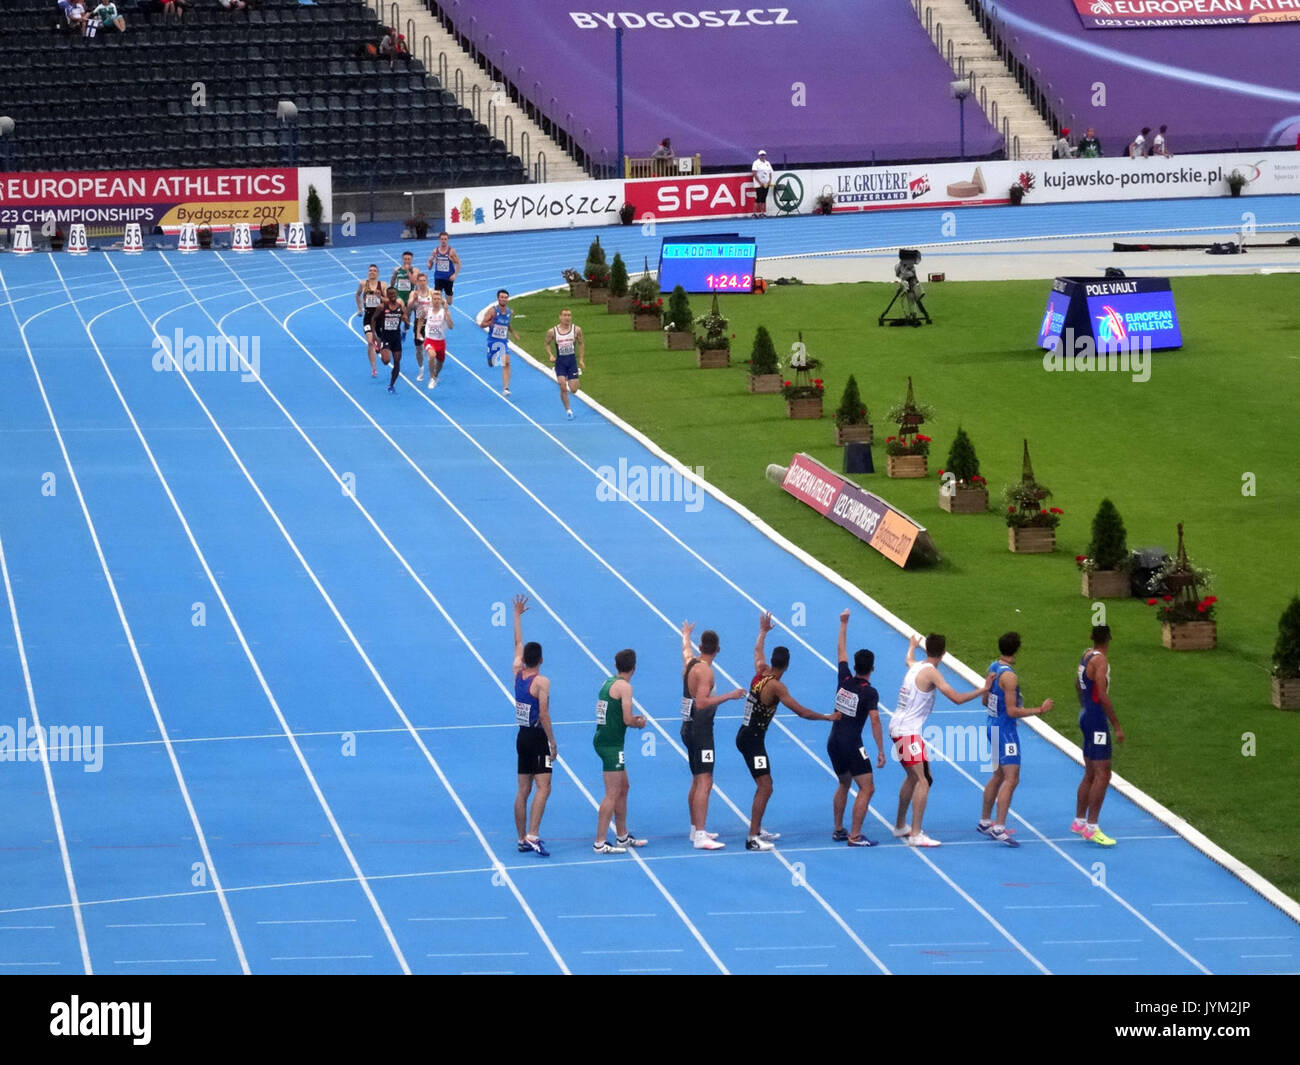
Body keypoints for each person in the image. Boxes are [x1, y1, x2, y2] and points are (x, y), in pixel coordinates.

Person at [737, 612, 838, 851]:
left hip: (748, 734)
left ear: (773, 661)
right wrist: (828, 717)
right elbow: (801, 712)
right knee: (765, 786)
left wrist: (762, 632)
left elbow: (757, 651)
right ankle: (752, 838)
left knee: (764, 785)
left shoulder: (761, 671)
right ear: (788, 665)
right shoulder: (777, 687)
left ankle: (757, 828)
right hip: (752, 739)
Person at [891, 633, 990, 847]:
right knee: (924, 779)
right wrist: (983, 690)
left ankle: (900, 825)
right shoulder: (932, 673)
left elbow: (908, 659)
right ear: (944, 653)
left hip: (896, 728)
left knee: (912, 777)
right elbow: (956, 699)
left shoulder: (916, 665)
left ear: (926, 650)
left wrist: (911, 646)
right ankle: (916, 834)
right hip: (908, 732)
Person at [977, 632, 1053, 848]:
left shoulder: (993, 667)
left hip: (992, 726)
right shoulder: (1009, 677)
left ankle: (984, 821)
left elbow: (984, 699)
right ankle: (999, 827)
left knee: (998, 775)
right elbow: (1011, 711)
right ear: (1017, 649)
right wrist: (1040, 709)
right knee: (1012, 778)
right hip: (1005, 731)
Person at [680, 621, 745, 850]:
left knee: (698, 779)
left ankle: (695, 828)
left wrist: (685, 635)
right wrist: (731, 695)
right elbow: (702, 702)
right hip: (701, 730)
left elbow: (685, 651)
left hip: (689, 728)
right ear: (718, 649)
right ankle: (700, 835)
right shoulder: (705, 672)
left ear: (701, 646)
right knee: (706, 781)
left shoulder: (691, 663)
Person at [828, 609, 885, 847]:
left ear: (855, 666)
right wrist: (881, 750)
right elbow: (874, 720)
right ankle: (854, 835)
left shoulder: (844, 679)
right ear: (872, 668)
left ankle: (839, 829)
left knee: (844, 783)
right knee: (867, 787)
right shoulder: (870, 692)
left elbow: (841, 651)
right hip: (852, 744)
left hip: (833, 742)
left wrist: (843, 624)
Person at [592, 649, 648, 854]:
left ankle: (622, 836)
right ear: (634, 668)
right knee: (613, 792)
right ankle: (599, 842)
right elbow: (627, 719)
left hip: (606, 740)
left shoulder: (608, 682)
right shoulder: (625, 687)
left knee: (624, 787)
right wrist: (639, 723)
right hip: (611, 745)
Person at [512, 595, 555, 857]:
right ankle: (533, 835)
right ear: (540, 660)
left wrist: (516, 615)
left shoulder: (517, 671)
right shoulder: (542, 682)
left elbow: (518, 643)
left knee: (523, 790)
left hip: (521, 737)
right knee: (544, 787)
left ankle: (521, 838)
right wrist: (552, 741)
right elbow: (545, 714)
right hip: (538, 738)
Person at [1074, 624, 1124, 847]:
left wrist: (1084, 706)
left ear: (1091, 637)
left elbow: (1078, 683)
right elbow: (1102, 695)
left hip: (1086, 714)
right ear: (1109, 639)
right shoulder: (1101, 661)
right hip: (1096, 719)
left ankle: (1079, 821)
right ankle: (1092, 827)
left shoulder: (1086, 655)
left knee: (1090, 773)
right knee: (1103, 774)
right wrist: (1116, 725)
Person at [544, 307, 585, 420]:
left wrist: (581, 359)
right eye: (565, 315)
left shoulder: (576, 330)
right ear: (560, 317)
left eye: (569, 315)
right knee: (562, 386)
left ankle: (572, 377)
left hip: (572, 362)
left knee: (573, 389)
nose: (567, 318)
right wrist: (551, 355)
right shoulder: (552, 331)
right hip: (560, 363)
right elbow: (547, 344)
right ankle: (568, 410)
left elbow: (581, 344)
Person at [478, 289, 520, 397]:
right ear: (498, 298)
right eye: (502, 297)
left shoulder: (510, 312)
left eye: (505, 297)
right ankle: (490, 358)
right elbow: (482, 324)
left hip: (503, 341)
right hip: (493, 341)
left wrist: (514, 332)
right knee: (492, 364)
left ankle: (506, 388)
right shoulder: (492, 311)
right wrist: (491, 322)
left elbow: (507, 324)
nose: (504, 299)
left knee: (506, 362)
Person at [374, 287, 408, 394]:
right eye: (390, 294)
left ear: (397, 294)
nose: (393, 296)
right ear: (387, 296)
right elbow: (373, 320)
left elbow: (407, 323)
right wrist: (376, 337)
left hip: (396, 338)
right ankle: (379, 348)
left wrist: (406, 322)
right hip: (386, 337)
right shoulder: (382, 307)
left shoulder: (401, 307)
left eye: (394, 294)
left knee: (397, 362)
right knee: (386, 361)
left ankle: (391, 385)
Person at [355, 263, 384, 377]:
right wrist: (359, 309)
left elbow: (387, 300)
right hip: (367, 317)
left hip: (379, 317)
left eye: (374, 271)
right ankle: (374, 368)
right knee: (370, 342)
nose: (372, 272)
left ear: (378, 273)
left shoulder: (383, 285)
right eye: (370, 270)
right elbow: (357, 295)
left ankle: (379, 344)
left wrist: (380, 297)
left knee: (380, 340)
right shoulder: (363, 284)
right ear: (368, 272)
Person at [422, 291, 453, 390]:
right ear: (432, 300)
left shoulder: (444, 312)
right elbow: (420, 320)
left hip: (440, 341)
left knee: (440, 363)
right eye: (434, 299)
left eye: (438, 299)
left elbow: (451, 327)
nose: (436, 301)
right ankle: (431, 378)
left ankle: (435, 375)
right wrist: (418, 332)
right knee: (432, 355)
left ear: (441, 300)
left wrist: (447, 312)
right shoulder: (427, 310)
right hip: (430, 340)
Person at [409, 271, 433, 381]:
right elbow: (409, 308)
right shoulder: (414, 293)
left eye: (424, 280)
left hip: (431, 323)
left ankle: (433, 370)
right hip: (419, 323)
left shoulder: (432, 293)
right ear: (417, 282)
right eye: (420, 281)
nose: (422, 283)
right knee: (419, 349)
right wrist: (414, 300)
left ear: (427, 281)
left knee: (430, 348)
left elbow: (439, 306)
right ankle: (421, 369)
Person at [426, 231, 460, 305]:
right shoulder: (435, 251)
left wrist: (455, 275)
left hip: (448, 278)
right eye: (442, 239)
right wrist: (430, 262)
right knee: (436, 299)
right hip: (438, 278)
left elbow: (459, 264)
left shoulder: (451, 251)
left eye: (445, 239)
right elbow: (429, 266)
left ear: (448, 240)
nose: (443, 241)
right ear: (439, 240)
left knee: (449, 302)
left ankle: (446, 299)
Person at [390, 251, 416, 340]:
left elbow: (414, 282)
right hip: (399, 297)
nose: (407, 261)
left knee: (407, 321)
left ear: (411, 260)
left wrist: (408, 271)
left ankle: (404, 329)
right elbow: (392, 283)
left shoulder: (415, 270)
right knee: (397, 317)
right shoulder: (397, 270)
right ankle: (395, 336)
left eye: (409, 259)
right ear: (402, 259)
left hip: (409, 298)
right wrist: (394, 274)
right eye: (405, 259)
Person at [751, 149, 774, 218]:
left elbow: (770, 172)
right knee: (758, 198)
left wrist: (769, 181)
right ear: (759, 156)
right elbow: (754, 173)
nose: (762, 156)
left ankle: (762, 213)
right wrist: (759, 182)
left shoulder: (767, 163)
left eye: (763, 155)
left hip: (766, 183)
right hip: (758, 184)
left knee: (764, 198)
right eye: (761, 155)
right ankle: (754, 213)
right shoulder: (756, 163)